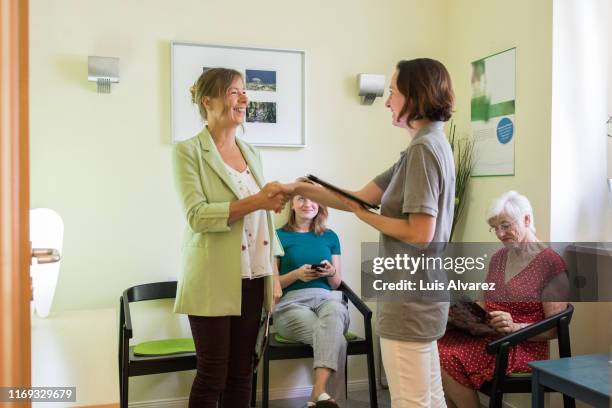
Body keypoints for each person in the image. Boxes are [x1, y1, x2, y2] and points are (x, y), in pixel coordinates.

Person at [286, 58, 456, 408]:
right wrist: (293, 189)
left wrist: (367, 218)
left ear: (415, 94)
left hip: (410, 301)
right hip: (424, 297)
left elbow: (420, 232)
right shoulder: (426, 145)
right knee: (429, 398)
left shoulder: (423, 149)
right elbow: (357, 198)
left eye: (393, 91)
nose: (388, 100)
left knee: (411, 401)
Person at [172, 67, 287, 408]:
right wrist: (257, 199)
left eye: (244, 91)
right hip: (211, 279)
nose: (244, 98)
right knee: (212, 374)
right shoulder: (188, 151)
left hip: (254, 276)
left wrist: (275, 273)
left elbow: (264, 218)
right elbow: (197, 215)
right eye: (234, 91)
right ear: (208, 101)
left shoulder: (252, 152)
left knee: (242, 372)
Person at [437, 191, 569, 408]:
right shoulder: (499, 258)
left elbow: (555, 328)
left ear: (526, 219)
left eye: (506, 226)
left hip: (521, 345)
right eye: (495, 227)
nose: (499, 233)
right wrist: (460, 316)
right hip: (489, 337)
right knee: (435, 343)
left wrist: (515, 327)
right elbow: (483, 303)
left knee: (448, 356)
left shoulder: (550, 263)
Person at [274, 195, 348, 408]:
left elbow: (335, 284)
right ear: (292, 205)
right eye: (301, 199)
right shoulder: (278, 236)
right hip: (291, 305)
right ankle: (333, 401)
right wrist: (296, 274)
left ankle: (318, 393)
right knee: (338, 341)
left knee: (335, 308)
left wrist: (332, 271)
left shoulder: (330, 236)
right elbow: (272, 284)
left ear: (320, 204)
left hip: (326, 300)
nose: (307, 204)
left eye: (313, 199)